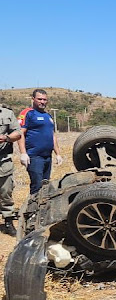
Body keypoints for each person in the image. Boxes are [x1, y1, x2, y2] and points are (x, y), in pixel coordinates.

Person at [18, 89, 63, 195]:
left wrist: (58, 154)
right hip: (34, 157)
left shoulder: (48, 116)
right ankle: (32, 211)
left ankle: (42, 210)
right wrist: (23, 153)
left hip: (47, 157)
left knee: (45, 186)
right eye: (39, 99)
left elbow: (52, 135)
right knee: (36, 186)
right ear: (33, 99)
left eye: (44, 99)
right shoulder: (28, 113)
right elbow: (20, 134)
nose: (42, 102)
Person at [0, 105, 22, 236]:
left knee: (5, 192)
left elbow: (18, 133)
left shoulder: (7, 113)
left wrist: (6, 138)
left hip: (3, 161)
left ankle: (8, 221)